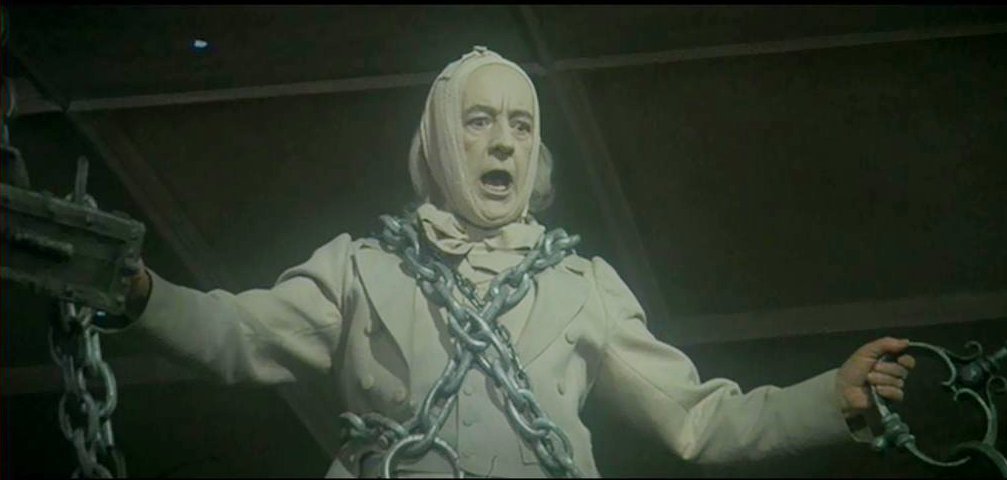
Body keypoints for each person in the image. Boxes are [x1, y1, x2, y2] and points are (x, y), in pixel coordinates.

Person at [119, 46, 915, 478]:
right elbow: (233, 336)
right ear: (440, 139)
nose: (504, 142)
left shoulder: (584, 288)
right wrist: (140, 292)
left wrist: (829, 400)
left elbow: (699, 423)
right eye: (479, 122)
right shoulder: (360, 272)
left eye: (521, 125)